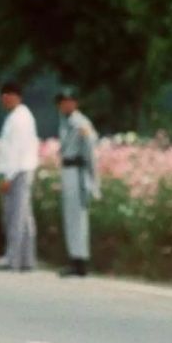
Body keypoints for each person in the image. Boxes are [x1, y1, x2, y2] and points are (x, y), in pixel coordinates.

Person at [0, 81, 39, 271]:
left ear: (16, 96)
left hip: (17, 171)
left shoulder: (20, 118)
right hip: (21, 170)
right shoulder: (18, 116)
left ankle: (13, 258)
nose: (5, 99)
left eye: (8, 95)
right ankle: (27, 258)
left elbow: (16, 151)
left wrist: (8, 176)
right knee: (24, 217)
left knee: (15, 217)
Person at [55, 87, 99, 277]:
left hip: (78, 171)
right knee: (70, 215)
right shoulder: (65, 123)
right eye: (62, 102)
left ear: (75, 103)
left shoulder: (81, 123)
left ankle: (81, 259)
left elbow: (91, 146)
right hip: (67, 169)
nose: (65, 104)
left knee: (78, 217)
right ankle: (74, 257)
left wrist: (92, 179)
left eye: (68, 101)